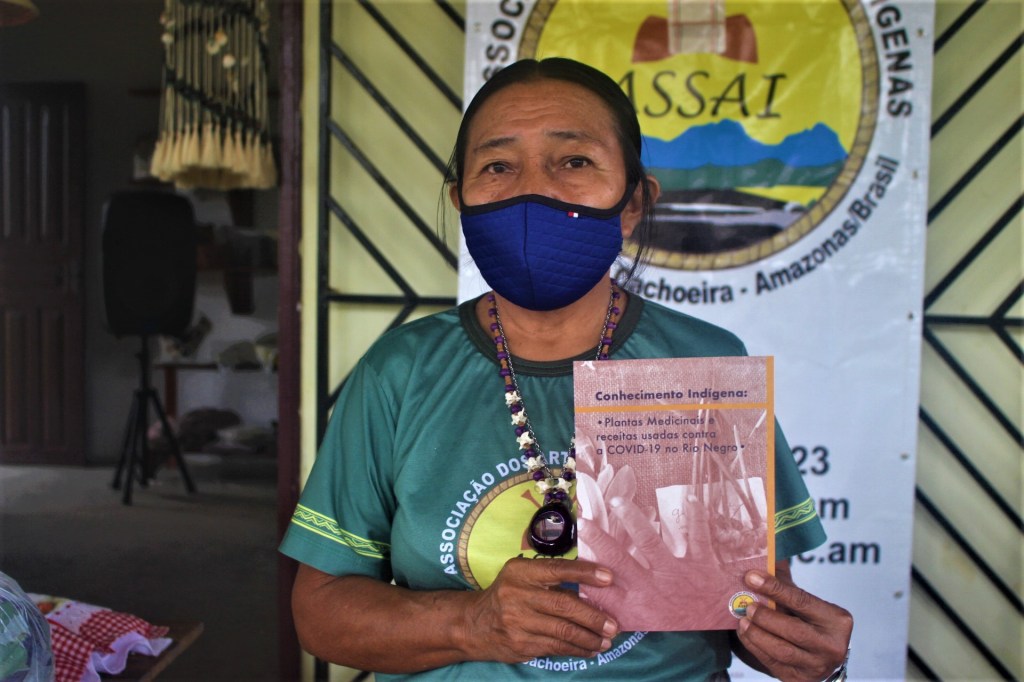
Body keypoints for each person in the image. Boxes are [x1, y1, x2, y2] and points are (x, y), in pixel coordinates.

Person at [280, 57, 853, 681]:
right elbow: (321, 614)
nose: (534, 190)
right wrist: (472, 623)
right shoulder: (400, 372)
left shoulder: (705, 367)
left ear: (632, 202)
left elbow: (747, 602)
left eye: (574, 161)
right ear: (461, 201)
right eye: (498, 165)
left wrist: (803, 653)